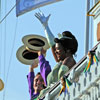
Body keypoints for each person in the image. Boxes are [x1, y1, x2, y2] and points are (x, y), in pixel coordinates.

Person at [35, 12, 78, 86]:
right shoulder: (61, 63)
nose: (55, 52)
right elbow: (52, 44)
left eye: (58, 49)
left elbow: (61, 76)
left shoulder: (69, 60)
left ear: (67, 50)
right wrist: (45, 27)